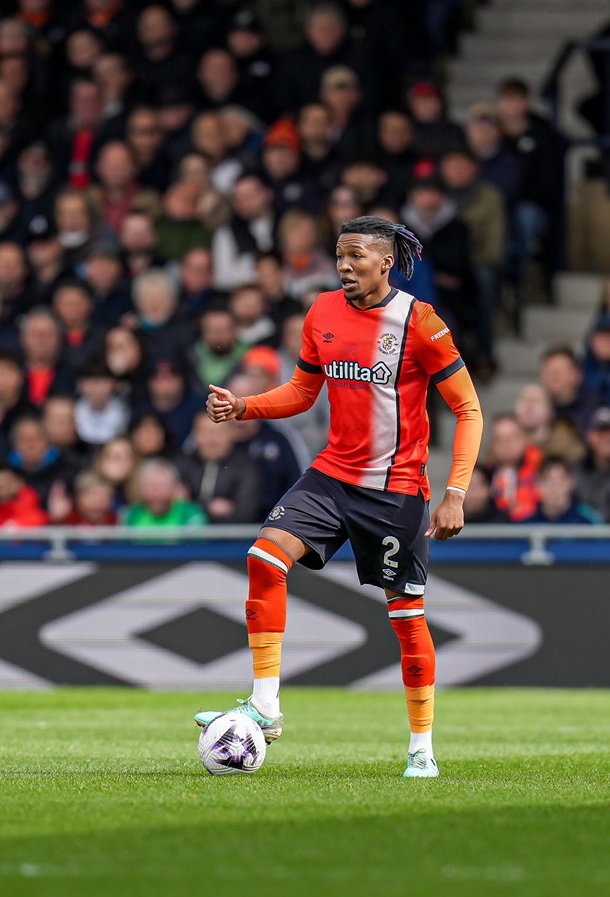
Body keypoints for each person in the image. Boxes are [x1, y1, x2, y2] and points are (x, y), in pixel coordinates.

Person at [195, 215, 482, 779]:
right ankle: (266, 705)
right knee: (263, 558)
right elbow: (303, 392)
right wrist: (245, 407)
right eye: (339, 256)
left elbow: (468, 409)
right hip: (331, 476)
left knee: (407, 618)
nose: (344, 266)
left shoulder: (421, 323)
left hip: (395, 490)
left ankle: (421, 748)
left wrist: (455, 492)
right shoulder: (322, 311)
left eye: (356, 256)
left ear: (386, 262)